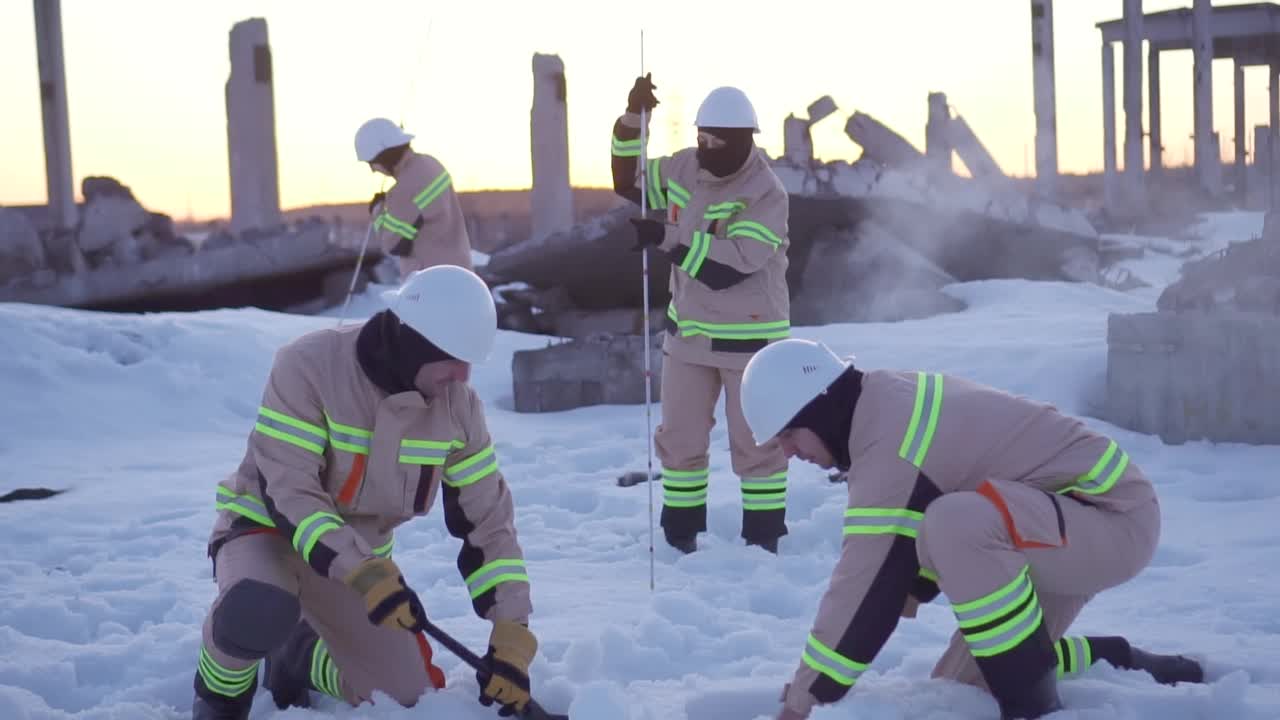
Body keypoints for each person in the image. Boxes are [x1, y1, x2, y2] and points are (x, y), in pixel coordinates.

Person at [737, 339, 1204, 720]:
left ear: (819, 410)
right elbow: (890, 568)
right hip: (1048, 525)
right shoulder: (878, 408)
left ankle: (1032, 710)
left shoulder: (890, 441)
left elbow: (864, 583)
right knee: (966, 690)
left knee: (954, 523)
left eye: (789, 435)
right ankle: (1124, 659)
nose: (787, 453)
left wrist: (802, 702)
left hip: (1112, 518)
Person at [190, 265, 539, 719]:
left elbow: (489, 524)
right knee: (256, 610)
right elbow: (289, 491)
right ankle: (220, 692)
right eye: (454, 359)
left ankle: (298, 656)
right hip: (267, 534)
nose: (464, 376)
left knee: (407, 696)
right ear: (416, 343)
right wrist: (362, 570)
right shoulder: (310, 366)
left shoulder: (459, 409)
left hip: (358, 565)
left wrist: (511, 632)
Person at [609, 74, 792, 554]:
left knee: (757, 448)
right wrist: (633, 120)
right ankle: (680, 537)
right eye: (701, 137)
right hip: (687, 338)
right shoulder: (684, 168)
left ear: (743, 141)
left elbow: (729, 267)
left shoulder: (766, 193)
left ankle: (763, 541)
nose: (706, 147)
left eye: (716, 140)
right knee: (680, 441)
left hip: (751, 344)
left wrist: (665, 238)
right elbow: (627, 180)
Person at [354, 117, 474, 279]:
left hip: (430, 281)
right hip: (461, 270)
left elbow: (392, 245)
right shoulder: (432, 164)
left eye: (372, 163)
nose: (373, 170)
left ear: (384, 157)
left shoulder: (402, 190)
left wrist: (378, 212)